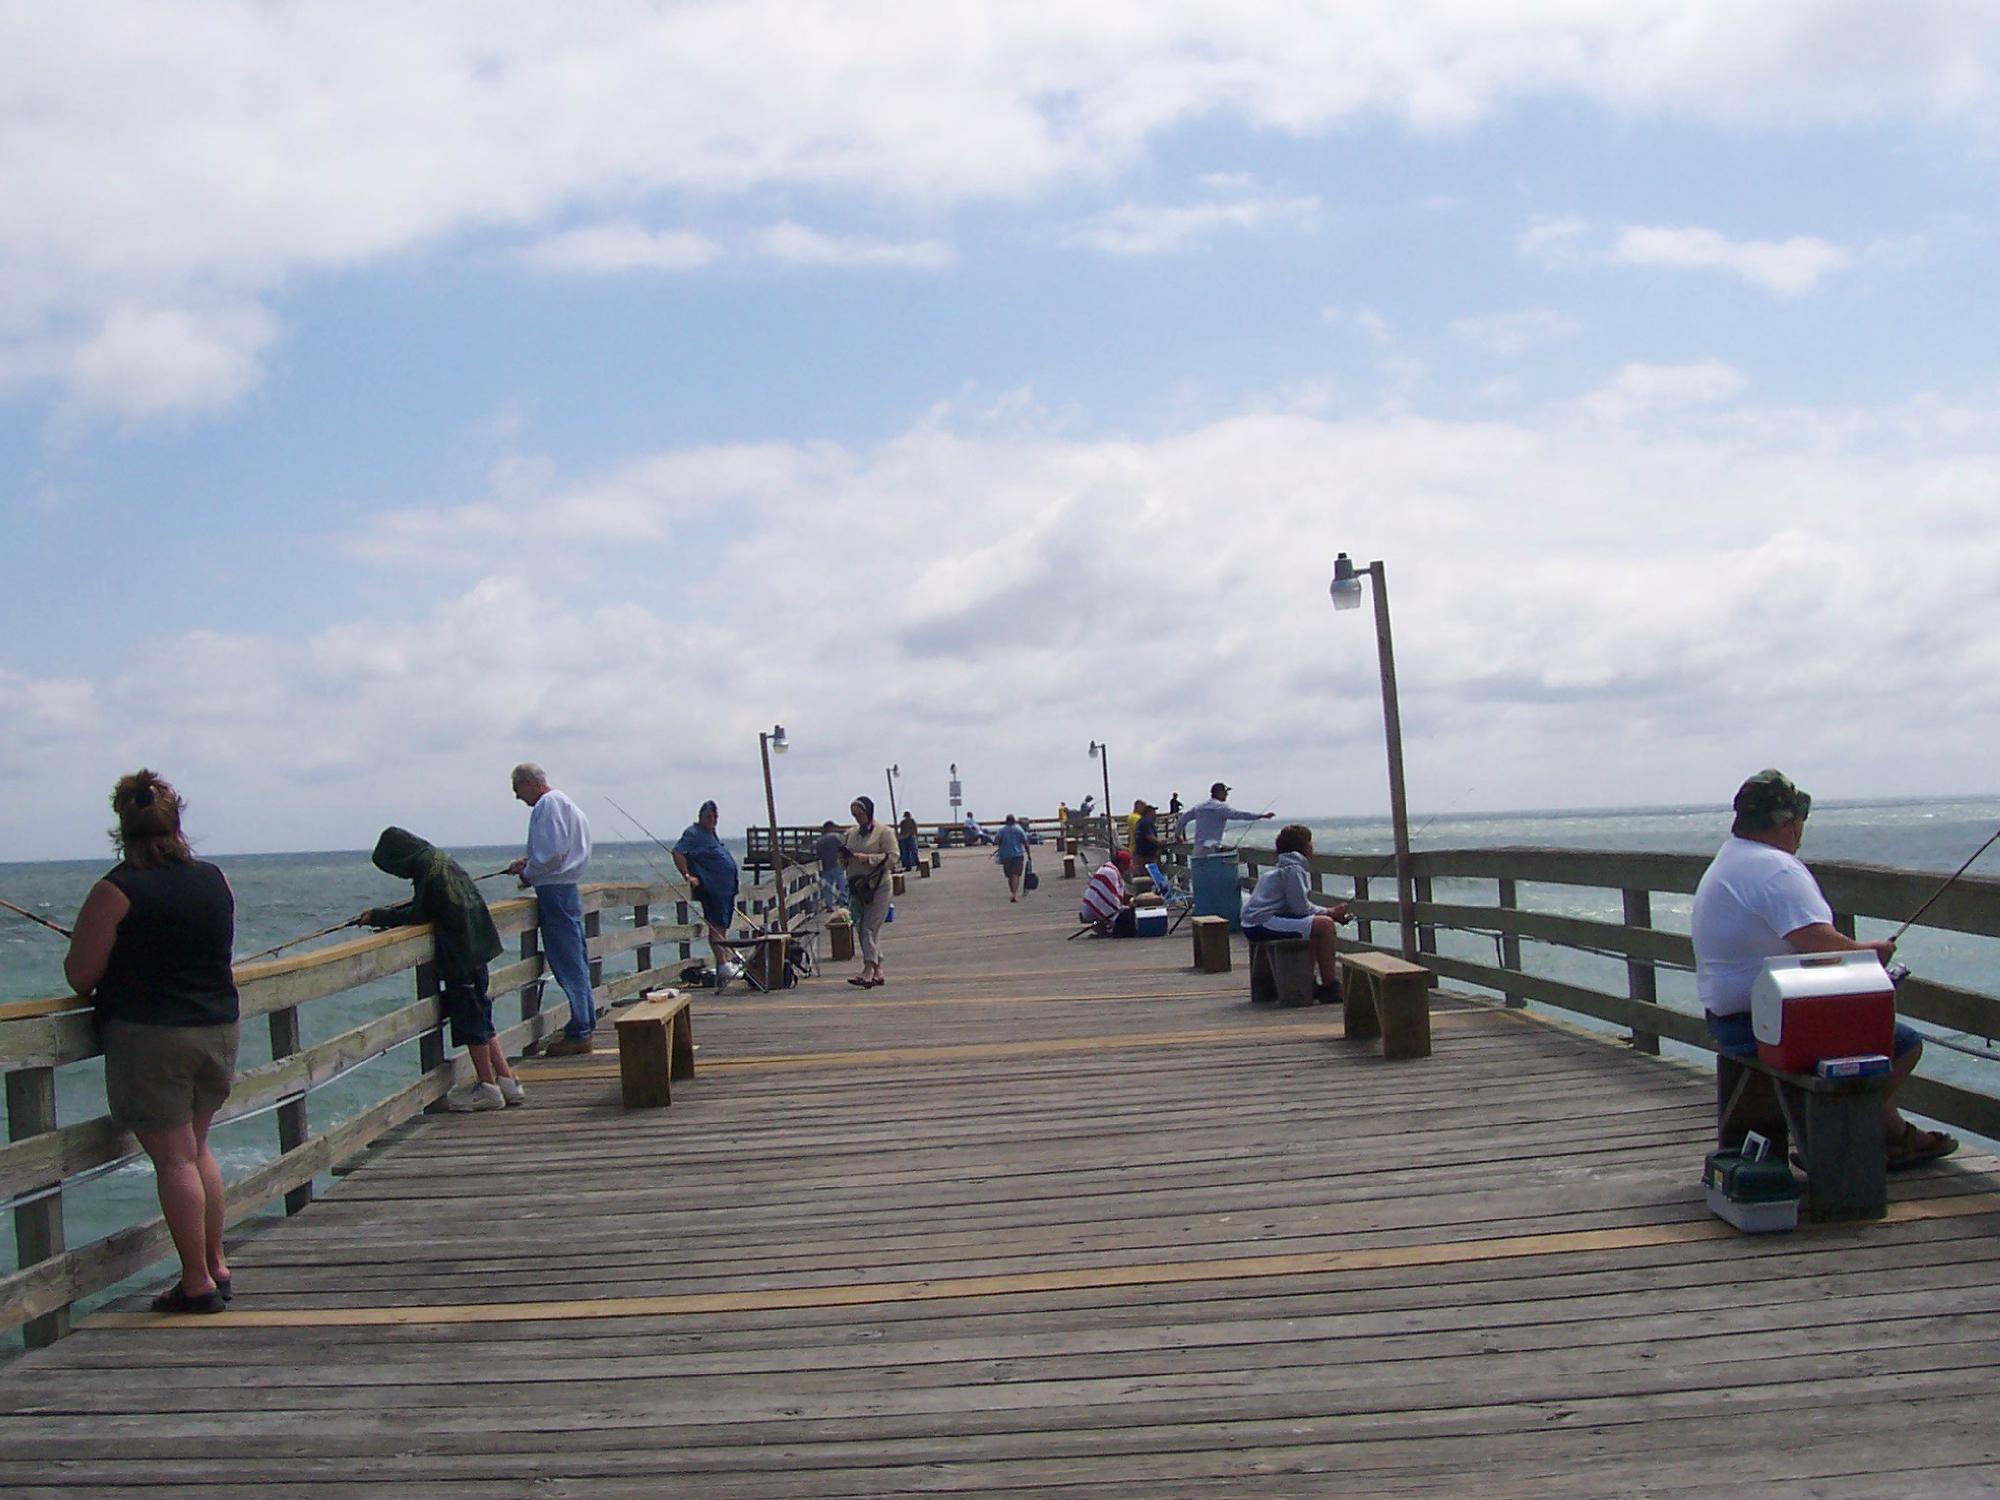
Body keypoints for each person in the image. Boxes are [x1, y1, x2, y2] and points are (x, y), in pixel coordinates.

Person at [1690, 769, 1956, 1168]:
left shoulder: (1731, 859)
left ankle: (1892, 1136)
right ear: (1788, 823)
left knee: (1867, 1033)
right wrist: (1871, 953)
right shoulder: (1776, 869)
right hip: (1765, 1026)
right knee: (1901, 1043)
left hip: (1726, 1018)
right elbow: (1823, 947)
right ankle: (1841, 1140)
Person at [64, 771, 238, 1314]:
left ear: (123, 825)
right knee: (197, 1148)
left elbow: (80, 975)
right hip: (218, 1028)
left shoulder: (115, 890)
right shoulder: (215, 879)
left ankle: (196, 1284)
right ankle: (216, 1265)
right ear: (176, 821)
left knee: (174, 1160)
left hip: (151, 1036)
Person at [358, 827, 523, 1112]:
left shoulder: (426, 869)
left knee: (472, 1021)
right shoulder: (438, 860)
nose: (398, 874)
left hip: (462, 953)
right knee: (482, 1015)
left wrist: (380, 916)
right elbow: (431, 904)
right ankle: (507, 1080)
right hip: (478, 948)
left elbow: (419, 913)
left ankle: (488, 1087)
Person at [506, 764, 596, 1057]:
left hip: (554, 891)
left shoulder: (547, 805)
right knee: (576, 957)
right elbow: (557, 851)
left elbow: (552, 853)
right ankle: (585, 1023)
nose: (517, 798)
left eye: (517, 789)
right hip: (567, 888)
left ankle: (580, 1031)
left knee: (567, 961)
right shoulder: (566, 803)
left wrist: (528, 872)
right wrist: (531, 863)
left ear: (530, 782)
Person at [1241, 824, 1353, 1003]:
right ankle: (1330, 986)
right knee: (1325, 925)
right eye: (1310, 842)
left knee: (1315, 926)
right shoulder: (1294, 870)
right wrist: (1331, 913)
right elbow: (1300, 908)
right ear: (1304, 847)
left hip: (1254, 922)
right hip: (1263, 923)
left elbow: (1297, 909)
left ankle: (1308, 981)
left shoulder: (1280, 869)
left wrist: (1325, 913)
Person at [673, 800, 741, 984]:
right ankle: (722, 965)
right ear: (700, 817)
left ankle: (725, 962)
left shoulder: (712, 835)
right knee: (715, 926)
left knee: (722, 926)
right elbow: (678, 852)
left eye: (715, 816)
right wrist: (688, 875)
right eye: (709, 816)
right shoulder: (693, 833)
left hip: (725, 890)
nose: (713, 819)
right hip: (712, 889)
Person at [842, 796, 897, 986]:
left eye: (860, 814)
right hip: (857, 887)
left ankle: (867, 968)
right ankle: (878, 970)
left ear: (869, 812)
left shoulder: (884, 832)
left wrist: (868, 858)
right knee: (862, 927)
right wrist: (845, 859)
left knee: (869, 927)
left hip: (878, 886)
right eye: (854, 815)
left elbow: (893, 857)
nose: (857, 818)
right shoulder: (850, 833)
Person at [1175, 782, 1273, 851]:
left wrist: (1177, 835)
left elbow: (1183, 819)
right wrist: (1260, 816)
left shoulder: (1199, 807)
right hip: (1212, 847)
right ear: (1219, 793)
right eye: (1225, 792)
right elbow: (1239, 815)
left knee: (1200, 876)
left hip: (1198, 848)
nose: (1227, 794)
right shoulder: (1221, 807)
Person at [1079, 850, 1136, 936]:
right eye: (1127, 866)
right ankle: (1105, 926)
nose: (1128, 869)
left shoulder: (1109, 869)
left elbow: (1115, 894)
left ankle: (1103, 926)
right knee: (1127, 917)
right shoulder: (1110, 873)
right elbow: (1111, 900)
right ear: (1121, 864)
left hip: (1089, 905)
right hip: (1090, 910)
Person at [993, 813, 1034, 901]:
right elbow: (1025, 843)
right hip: (1017, 855)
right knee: (1015, 875)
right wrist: (1029, 854)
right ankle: (1014, 893)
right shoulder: (1019, 830)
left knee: (1010, 875)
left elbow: (996, 841)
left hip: (1005, 855)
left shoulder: (1001, 830)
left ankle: (1013, 892)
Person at [813, 819, 848, 909]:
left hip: (826, 865)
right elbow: (845, 847)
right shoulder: (837, 837)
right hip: (837, 864)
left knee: (827, 886)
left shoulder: (819, 841)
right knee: (841, 884)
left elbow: (817, 854)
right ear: (831, 828)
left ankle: (829, 905)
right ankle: (843, 901)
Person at [1131, 800, 1162, 868]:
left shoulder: (1140, 821)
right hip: (1146, 856)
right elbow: (1148, 836)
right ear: (1149, 812)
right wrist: (1160, 842)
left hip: (1140, 854)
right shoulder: (1146, 822)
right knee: (1149, 874)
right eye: (1153, 811)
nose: (1155, 814)